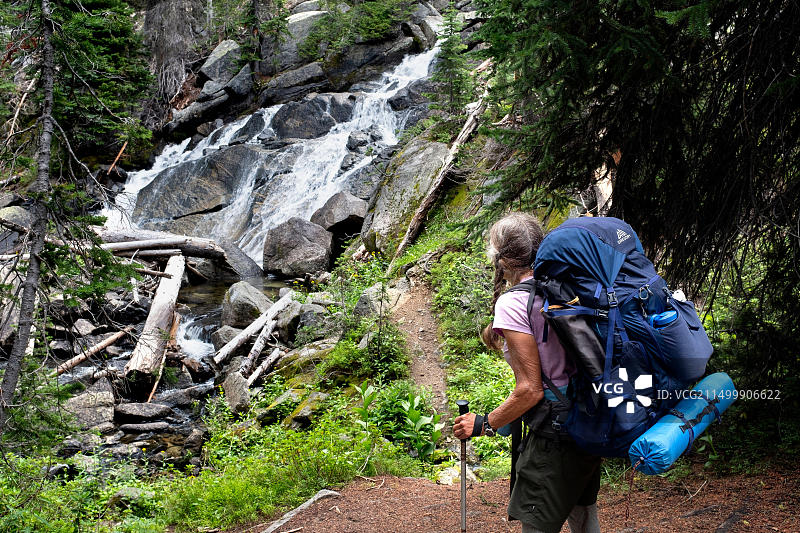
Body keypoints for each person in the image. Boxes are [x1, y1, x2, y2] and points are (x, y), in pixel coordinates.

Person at [452, 212, 602, 533]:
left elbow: (531, 389)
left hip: (555, 435)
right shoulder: (563, 285)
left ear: (501, 258)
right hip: (589, 417)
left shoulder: (514, 302)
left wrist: (485, 423)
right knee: (583, 514)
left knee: (537, 526)